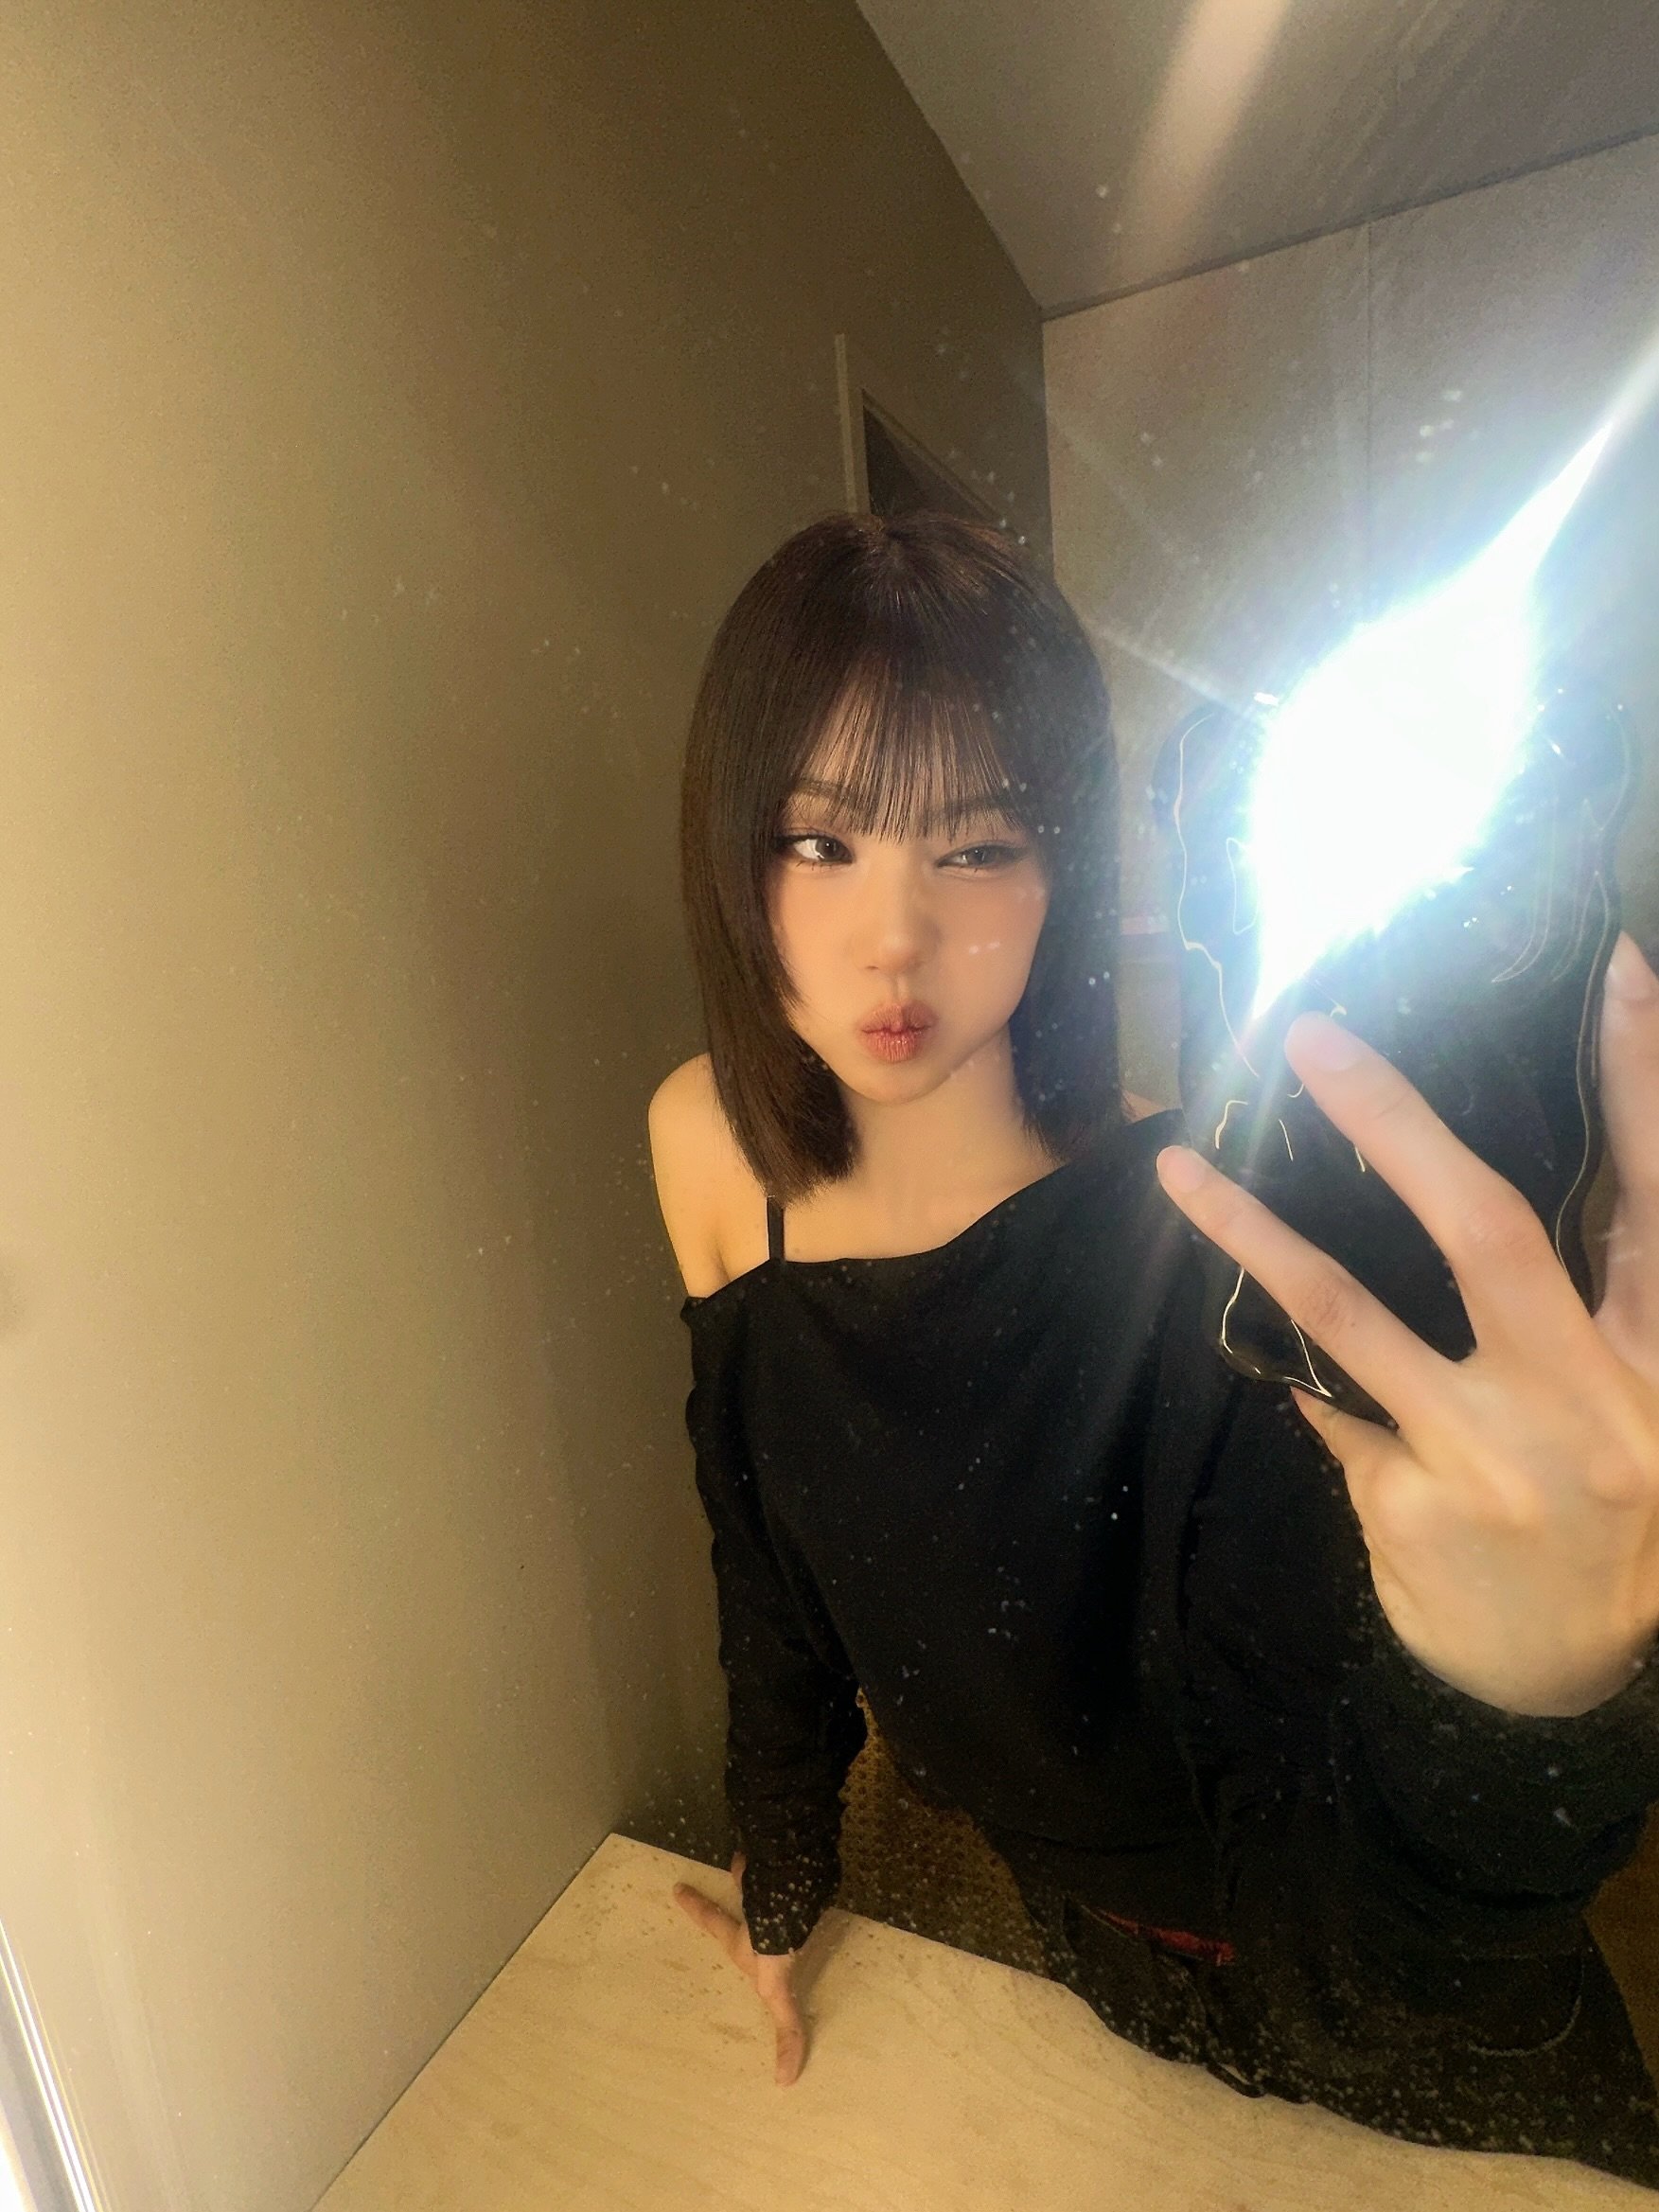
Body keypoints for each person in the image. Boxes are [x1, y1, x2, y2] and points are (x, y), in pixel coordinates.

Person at [646, 508, 1659, 2185]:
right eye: (819, 842)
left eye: (976, 848)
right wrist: (783, 1865)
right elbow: (763, 1567)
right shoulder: (706, 1149)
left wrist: (1521, 1703)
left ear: (1067, 867)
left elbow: (1375, 1915)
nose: (890, 938)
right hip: (1094, 1993)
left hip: (1435, 2043)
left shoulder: (1203, 1230)